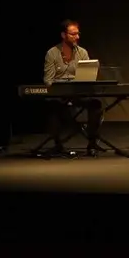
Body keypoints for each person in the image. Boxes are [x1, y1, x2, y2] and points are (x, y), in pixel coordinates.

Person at [42, 20, 104, 156]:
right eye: (73, 34)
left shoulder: (82, 53)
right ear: (64, 35)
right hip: (60, 95)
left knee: (95, 105)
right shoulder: (52, 53)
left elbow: (88, 76)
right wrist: (61, 88)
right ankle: (58, 144)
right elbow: (48, 80)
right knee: (52, 106)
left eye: (78, 33)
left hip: (78, 93)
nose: (77, 37)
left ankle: (92, 143)